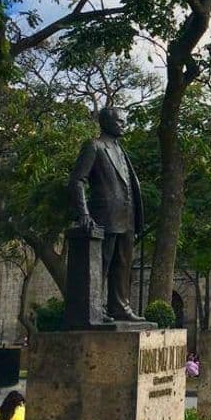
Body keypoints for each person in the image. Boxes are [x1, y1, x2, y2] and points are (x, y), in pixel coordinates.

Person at [69, 105, 145, 323]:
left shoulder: (121, 150)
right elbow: (77, 180)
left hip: (127, 216)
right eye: (120, 121)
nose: (124, 125)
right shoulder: (94, 146)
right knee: (101, 263)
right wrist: (83, 213)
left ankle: (120, 307)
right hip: (105, 215)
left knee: (123, 264)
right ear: (107, 122)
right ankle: (95, 308)